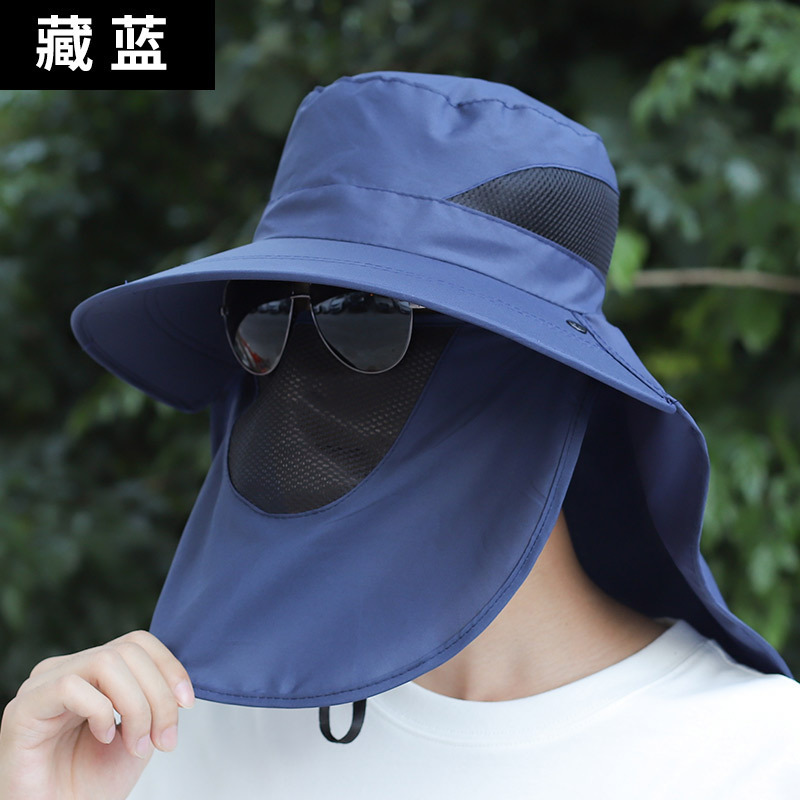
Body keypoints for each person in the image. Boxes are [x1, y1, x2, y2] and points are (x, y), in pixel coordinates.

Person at [2, 70, 799, 799]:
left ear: (538, 369)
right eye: (267, 315)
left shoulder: (758, 757)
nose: (299, 383)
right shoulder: (168, 734)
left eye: (367, 316)